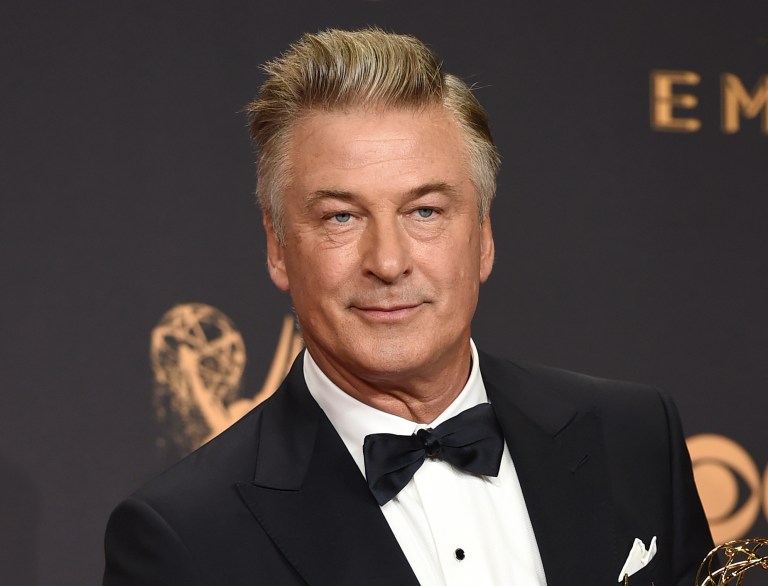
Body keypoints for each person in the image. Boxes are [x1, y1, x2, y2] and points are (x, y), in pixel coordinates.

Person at [103, 28, 713, 586]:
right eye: (341, 217)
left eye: (424, 211)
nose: (388, 262)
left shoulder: (634, 437)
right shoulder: (183, 539)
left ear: (483, 235)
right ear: (278, 247)